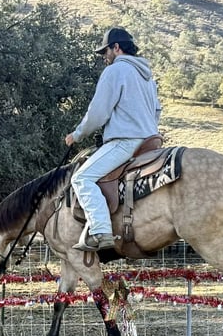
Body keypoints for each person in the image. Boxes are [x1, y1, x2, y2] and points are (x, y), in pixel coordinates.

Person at [65, 27, 162, 251]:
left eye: (105, 51)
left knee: (81, 178)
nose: (104, 57)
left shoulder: (115, 70)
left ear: (116, 48)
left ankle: (101, 231)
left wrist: (77, 135)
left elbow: (98, 112)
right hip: (150, 141)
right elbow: (157, 111)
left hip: (126, 141)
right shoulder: (148, 77)